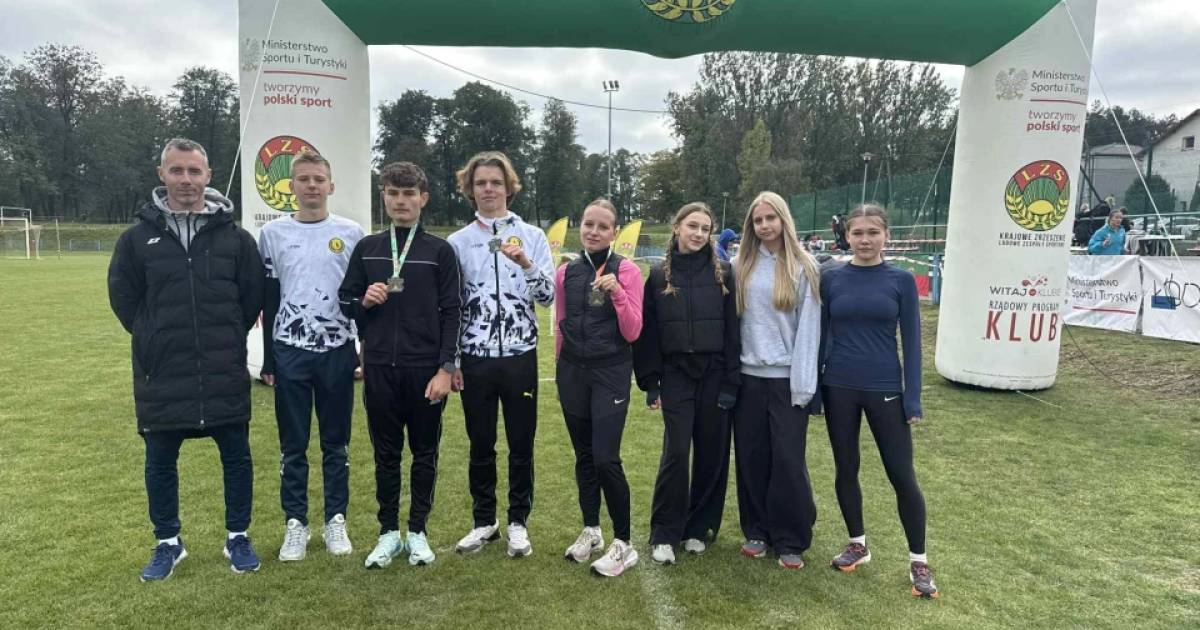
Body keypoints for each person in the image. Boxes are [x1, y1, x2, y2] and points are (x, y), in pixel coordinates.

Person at [107, 138, 264, 581]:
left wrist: (226, 335)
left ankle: (237, 537)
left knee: (236, 457)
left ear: (208, 176)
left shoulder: (236, 239)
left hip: (221, 367)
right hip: (163, 371)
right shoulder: (136, 239)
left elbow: (251, 296)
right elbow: (124, 299)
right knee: (160, 461)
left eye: (194, 171)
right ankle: (168, 543)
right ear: (162, 175)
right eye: (176, 170)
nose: (186, 180)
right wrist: (154, 337)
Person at [338, 162, 461, 569]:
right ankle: (388, 532)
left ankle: (418, 531)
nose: (401, 201)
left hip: (425, 371)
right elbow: (345, 302)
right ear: (384, 197)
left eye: (409, 194)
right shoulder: (367, 248)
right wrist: (364, 302)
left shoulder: (440, 251)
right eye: (393, 193)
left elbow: (453, 312)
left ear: (423, 198)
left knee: (424, 453)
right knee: (386, 454)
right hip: (379, 368)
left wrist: (445, 368)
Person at [818, 203, 938, 599]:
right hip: (838, 386)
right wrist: (816, 390)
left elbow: (912, 343)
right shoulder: (831, 278)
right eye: (858, 233)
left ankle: (919, 561)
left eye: (873, 232)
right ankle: (857, 544)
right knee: (845, 468)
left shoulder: (900, 280)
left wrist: (912, 399)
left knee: (901, 475)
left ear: (886, 235)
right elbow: (821, 336)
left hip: (885, 387)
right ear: (846, 236)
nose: (865, 240)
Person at [258, 150, 364, 562]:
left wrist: (359, 349)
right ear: (292, 187)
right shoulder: (273, 234)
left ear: (331, 185)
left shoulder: (351, 233)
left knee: (336, 444)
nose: (312, 186)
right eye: (303, 179)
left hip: (337, 350)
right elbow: (270, 297)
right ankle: (295, 524)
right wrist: (269, 359)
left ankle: (335, 519)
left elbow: (359, 297)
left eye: (319, 179)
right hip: (291, 351)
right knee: (294, 445)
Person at [448, 151, 554, 558]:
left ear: (509, 187)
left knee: (521, 442)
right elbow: (452, 307)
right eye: (481, 183)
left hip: (520, 356)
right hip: (475, 357)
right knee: (481, 443)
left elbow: (547, 297)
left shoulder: (533, 236)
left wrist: (526, 263)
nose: (489, 189)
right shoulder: (458, 242)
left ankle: (517, 522)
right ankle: (484, 521)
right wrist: (454, 361)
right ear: (470, 189)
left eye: (496, 182)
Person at [634, 202, 740, 565]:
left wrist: (731, 382)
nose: (698, 233)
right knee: (677, 454)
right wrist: (651, 382)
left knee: (711, 454)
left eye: (705, 228)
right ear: (677, 227)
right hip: (676, 375)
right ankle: (664, 532)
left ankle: (698, 527)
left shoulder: (724, 273)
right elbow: (647, 333)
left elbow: (733, 331)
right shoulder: (657, 276)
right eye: (692, 226)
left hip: (715, 375)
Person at [555, 198, 644, 577]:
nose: (593, 231)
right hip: (572, 373)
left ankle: (624, 542)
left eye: (602, 226)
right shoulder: (567, 272)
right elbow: (560, 321)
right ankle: (591, 530)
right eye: (588, 224)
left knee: (606, 458)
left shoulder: (628, 271)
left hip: (610, 373)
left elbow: (633, 331)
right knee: (584, 457)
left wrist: (617, 293)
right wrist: (560, 368)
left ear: (614, 232)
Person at [731, 192, 821, 570]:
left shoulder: (804, 266)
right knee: (752, 458)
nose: (765, 225)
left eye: (771, 218)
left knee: (787, 460)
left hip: (786, 381)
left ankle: (790, 538)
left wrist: (803, 385)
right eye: (758, 220)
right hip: (747, 379)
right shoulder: (740, 265)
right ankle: (757, 530)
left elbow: (809, 330)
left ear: (784, 220)